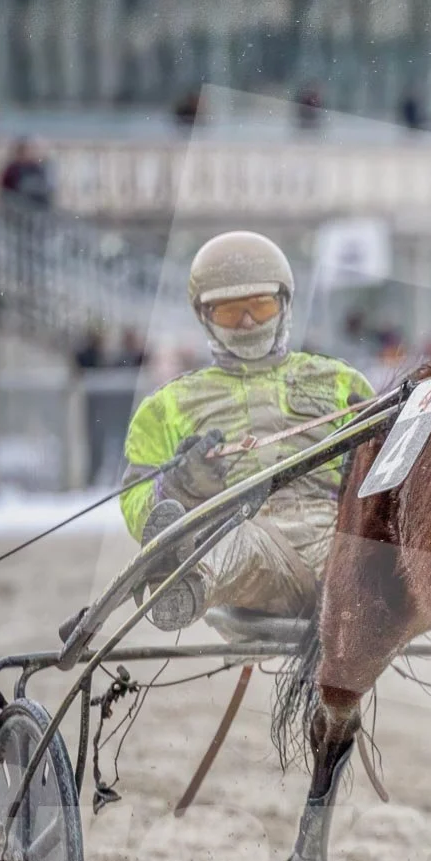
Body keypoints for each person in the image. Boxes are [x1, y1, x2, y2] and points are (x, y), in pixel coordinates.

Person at [120, 232, 374, 628]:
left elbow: (391, 468)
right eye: (229, 311)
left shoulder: (341, 381)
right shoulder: (166, 407)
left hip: (342, 540)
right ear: (204, 314)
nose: (247, 321)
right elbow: (134, 498)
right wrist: (178, 488)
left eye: (261, 305)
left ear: (284, 303)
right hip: (256, 547)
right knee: (227, 542)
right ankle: (183, 586)